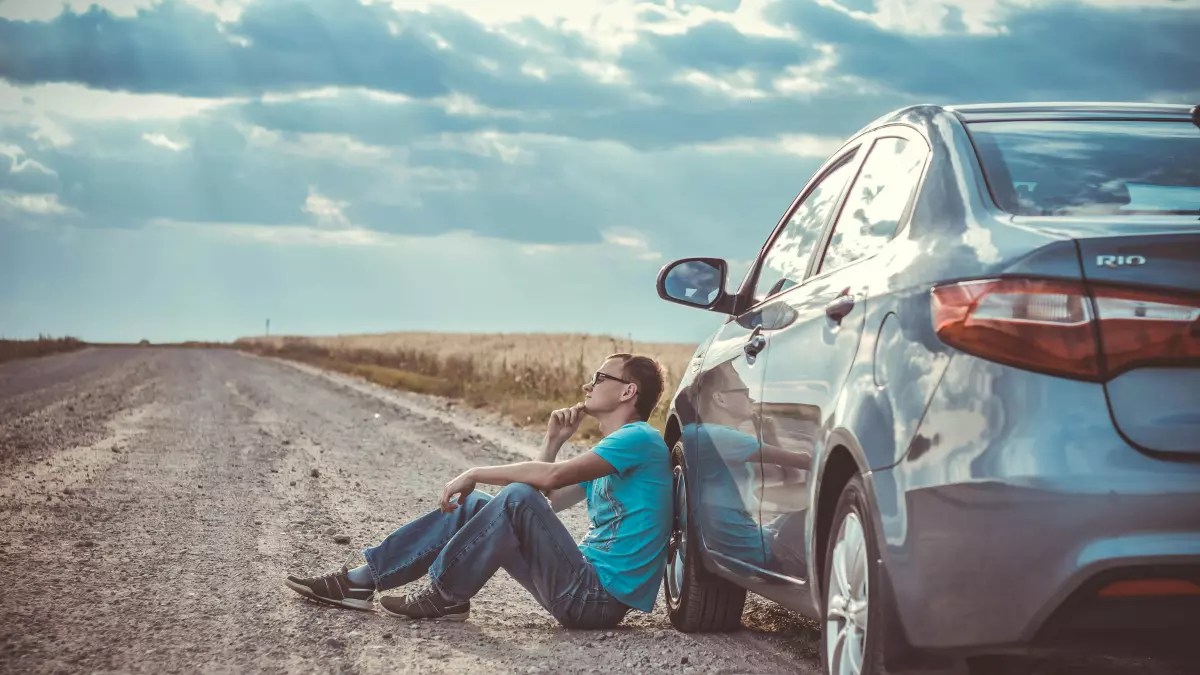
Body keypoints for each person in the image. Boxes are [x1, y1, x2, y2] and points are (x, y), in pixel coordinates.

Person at [284, 353, 672, 629]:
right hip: (578, 586)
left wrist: (477, 471)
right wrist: (553, 441)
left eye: (601, 378)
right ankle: (361, 580)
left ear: (627, 392)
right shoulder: (614, 450)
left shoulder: (638, 438)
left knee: (512, 495)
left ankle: (446, 594)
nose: (588, 384)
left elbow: (542, 485)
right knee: (475, 504)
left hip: (594, 600)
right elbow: (545, 503)